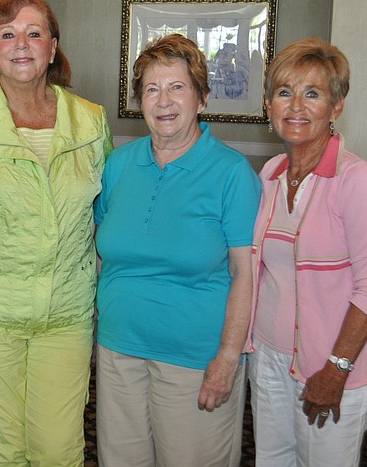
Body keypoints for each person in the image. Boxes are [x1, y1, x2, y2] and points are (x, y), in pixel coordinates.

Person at [0, 0, 112, 466]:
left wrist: (102, 297)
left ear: (53, 49)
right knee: (6, 447)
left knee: (60, 448)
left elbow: (102, 217)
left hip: (67, 311)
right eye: (7, 35)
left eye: (34, 34)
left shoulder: (91, 121)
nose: (21, 45)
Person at [93, 33, 260, 467]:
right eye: (151, 89)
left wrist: (227, 357)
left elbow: (245, 274)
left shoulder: (231, 173)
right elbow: (100, 251)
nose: (163, 100)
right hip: (118, 351)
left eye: (177, 87)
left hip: (194, 360)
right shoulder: (118, 164)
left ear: (201, 98)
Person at [247, 38, 367, 466]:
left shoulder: (356, 180)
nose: (296, 106)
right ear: (269, 104)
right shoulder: (270, 175)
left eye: (313, 94)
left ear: (336, 106)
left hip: (330, 367)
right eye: (285, 92)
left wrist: (337, 369)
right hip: (269, 360)